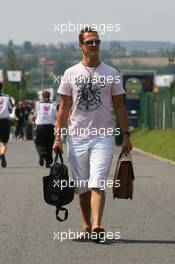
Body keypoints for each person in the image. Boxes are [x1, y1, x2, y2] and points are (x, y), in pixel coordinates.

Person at [53, 27, 132, 242]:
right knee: (82, 186)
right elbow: (63, 107)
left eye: (97, 41)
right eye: (89, 42)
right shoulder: (70, 73)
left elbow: (120, 106)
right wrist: (58, 137)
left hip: (103, 137)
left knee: (97, 181)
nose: (94, 45)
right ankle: (86, 225)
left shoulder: (111, 73)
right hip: (77, 137)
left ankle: (98, 226)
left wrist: (126, 135)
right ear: (81, 46)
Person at [33, 90, 57, 168]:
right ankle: (48, 162)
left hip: (40, 126)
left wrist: (34, 122)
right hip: (50, 126)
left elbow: (34, 115)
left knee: (38, 143)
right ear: (50, 96)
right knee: (49, 145)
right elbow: (56, 116)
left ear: (42, 96)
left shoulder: (38, 104)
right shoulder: (54, 104)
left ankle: (42, 153)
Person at [0, 83, 13, 167]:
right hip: (4, 121)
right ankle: (2, 154)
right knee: (3, 142)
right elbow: (11, 110)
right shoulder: (7, 97)